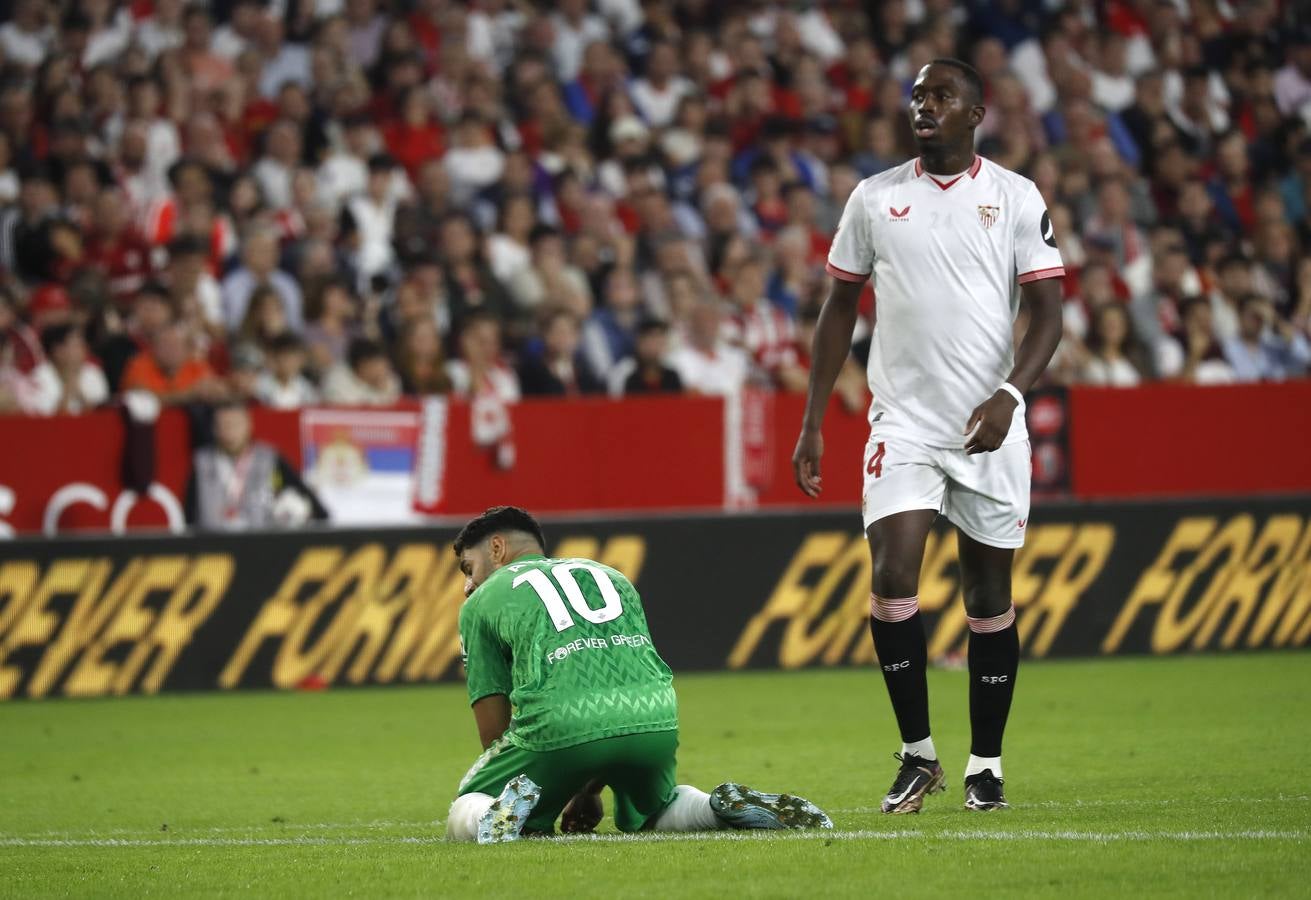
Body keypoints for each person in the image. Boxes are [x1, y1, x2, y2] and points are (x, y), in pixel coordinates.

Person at [793, 59, 1066, 814]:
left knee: (987, 597)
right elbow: (837, 308)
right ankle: (918, 754)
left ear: (975, 113)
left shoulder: (1014, 196)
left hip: (988, 423)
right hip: (902, 420)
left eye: (940, 96)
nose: (924, 106)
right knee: (891, 578)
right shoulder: (874, 198)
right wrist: (814, 418)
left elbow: (1048, 313)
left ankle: (984, 763)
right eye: (917, 95)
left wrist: (1010, 395)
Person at [447, 505, 833, 843]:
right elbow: (616, 681)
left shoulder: (481, 602)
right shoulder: (611, 576)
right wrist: (588, 787)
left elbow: (493, 730)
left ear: (496, 548)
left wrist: (557, 785)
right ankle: (717, 806)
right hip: (654, 719)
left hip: (561, 731)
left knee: (467, 801)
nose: (468, 584)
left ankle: (490, 817)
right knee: (657, 808)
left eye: (469, 567)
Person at [185, 400, 327, 530]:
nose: (229, 432)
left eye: (235, 425)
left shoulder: (270, 460)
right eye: (223, 425)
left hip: (260, 545)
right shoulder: (202, 463)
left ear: (249, 425)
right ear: (214, 429)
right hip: (213, 548)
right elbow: (188, 515)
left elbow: (315, 508)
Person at [1222, 294, 1311, 382]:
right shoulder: (1227, 348)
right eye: (1252, 315)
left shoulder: (1273, 347)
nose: (1256, 321)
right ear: (1240, 316)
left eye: (1260, 317)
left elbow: (1305, 357)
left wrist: (1275, 319)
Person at [27, 323, 109, 415]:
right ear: (57, 350)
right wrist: (67, 390)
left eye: (82, 344)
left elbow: (101, 414)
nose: (83, 349)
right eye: (76, 345)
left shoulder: (93, 373)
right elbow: (45, 421)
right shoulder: (38, 376)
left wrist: (80, 395)